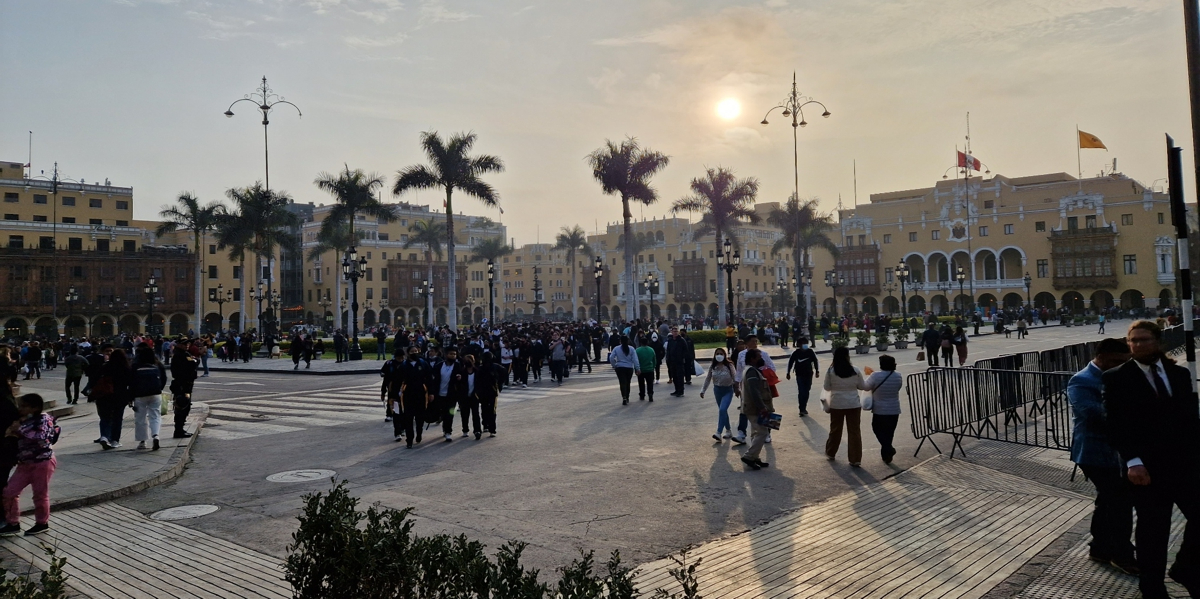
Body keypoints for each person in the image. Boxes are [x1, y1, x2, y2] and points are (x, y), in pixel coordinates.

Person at [1103, 320, 1200, 598]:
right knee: (1153, 531)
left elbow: (1190, 420)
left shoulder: (1178, 374)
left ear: (1158, 341)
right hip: (1146, 468)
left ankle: (1186, 567)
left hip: (1184, 464)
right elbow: (1116, 425)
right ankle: (1152, 587)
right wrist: (1132, 461)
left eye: (1144, 340)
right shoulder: (1116, 378)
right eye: (1133, 341)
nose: (1137, 345)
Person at [1068, 337, 1137, 575]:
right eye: (1118, 361)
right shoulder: (1082, 380)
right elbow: (1091, 413)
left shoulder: (1120, 375)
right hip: (1094, 452)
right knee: (1119, 502)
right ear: (1103, 358)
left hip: (1115, 452)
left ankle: (1099, 547)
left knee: (1108, 499)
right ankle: (1122, 554)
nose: (1123, 366)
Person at [0, 394, 58, 537]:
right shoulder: (22, 421)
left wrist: (18, 430)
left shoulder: (44, 419)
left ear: (35, 407)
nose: (20, 409)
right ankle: (13, 523)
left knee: (40, 494)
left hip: (42, 462)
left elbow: (41, 436)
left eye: (24, 406)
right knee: (9, 492)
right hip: (25, 463)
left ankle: (42, 523)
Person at [822, 346, 867, 467]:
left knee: (835, 429)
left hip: (837, 404)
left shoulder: (831, 371)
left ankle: (831, 452)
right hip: (853, 404)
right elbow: (862, 386)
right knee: (854, 431)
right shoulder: (855, 370)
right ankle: (855, 458)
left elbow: (826, 387)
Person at [864, 354, 903, 464]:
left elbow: (866, 386)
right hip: (894, 409)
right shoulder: (898, 375)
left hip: (880, 409)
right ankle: (887, 456)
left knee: (877, 428)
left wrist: (869, 375)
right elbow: (898, 388)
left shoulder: (875, 375)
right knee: (889, 433)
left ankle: (889, 449)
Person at [738, 349, 773, 471]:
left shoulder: (751, 370)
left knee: (755, 432)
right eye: (758, 356)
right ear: (752, 358)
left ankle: (755, 457)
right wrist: (762, 407)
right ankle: (749, 456)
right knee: (763, 432)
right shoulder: (752, 372)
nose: (761, 358)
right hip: (755, 408)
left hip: (753, 407)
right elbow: (754, 391)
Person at [130, 345, 167, 451]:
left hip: (139, 395)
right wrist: (159, 389)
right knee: (155, 416)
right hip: (155, 393)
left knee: (140, 418)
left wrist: (131, 396)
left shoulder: (135, 365)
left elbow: (131, 382)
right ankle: (156, 435)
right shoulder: (158, 364)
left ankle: (142, 441)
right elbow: (163, 378)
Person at [95, 347, 132, 450]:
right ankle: (115, 440)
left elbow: (96, 379)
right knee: (117, 418)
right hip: (120, 396)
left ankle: (104, 436)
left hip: (105, 396)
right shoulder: (125, 368)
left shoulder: (106, 366)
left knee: (105, 417)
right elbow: (130, 383)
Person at [699, 348, 736, 442]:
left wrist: (738, 389)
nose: (719, 355)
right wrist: (703, 390)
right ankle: (728, 430)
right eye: (717, 354)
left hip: (728, 390)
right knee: (723, 411)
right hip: (717, 390)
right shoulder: (713, 366)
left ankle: (718, 432)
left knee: (722, 409)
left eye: (721, 353)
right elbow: (708, 379)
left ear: (724, 355)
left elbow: (735, 378)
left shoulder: (729, 365)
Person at [430, 347, 464, 442]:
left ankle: (448, 431)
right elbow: (433, 380)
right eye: (451, 354)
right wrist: (432, 393)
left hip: (452, 395)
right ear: (446, 355)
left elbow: (463, 378)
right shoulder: (439, 366)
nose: (453, 356)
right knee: (442, 413)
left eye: (454, 354)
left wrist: (460, 378)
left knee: (450, 414)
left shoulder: (458, 366)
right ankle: (444, 427)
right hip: (439, 394)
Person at [169, 343, 198, 439]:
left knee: (183, 406)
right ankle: (178, 430)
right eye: (184, 344)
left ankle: (180, 429)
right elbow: (192, 364)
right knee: (183, 406)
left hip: (184, 385)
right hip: (183, 386)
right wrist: (196, 359)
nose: (186, 345)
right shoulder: (181, 355)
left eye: (188, 344)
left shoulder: (180, 354)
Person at [786, 336, 819, 416]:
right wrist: (788, 372)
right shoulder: (796, 353)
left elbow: (815, 361)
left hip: (809, 374)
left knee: (807, 390)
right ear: (799, 344)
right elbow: (790, 362)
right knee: (801, 391)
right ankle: (802, 409)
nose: (805, 345)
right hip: (799, 374)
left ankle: (804, 406)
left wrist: (817, 371)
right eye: (803, 343)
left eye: (806, 343)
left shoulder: (810, 352)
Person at [609, 336, 638, 405]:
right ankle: (627, 397)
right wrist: (637, 368)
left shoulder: (616, 348)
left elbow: (611, 357)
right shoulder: (631, 349)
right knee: (628, 383)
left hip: (620, 367)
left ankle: (624, 397)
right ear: (628, 341)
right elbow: (635, 359)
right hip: (629, 367)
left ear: (620, 341)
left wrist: (614, 365)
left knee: (622, 383)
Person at [665, 328, 688, 397]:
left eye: (676, 331)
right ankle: (676, 390)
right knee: (674, 376)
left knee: (680, 376)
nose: (675, 333)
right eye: (673, 331)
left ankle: (681, 391)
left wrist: (681, 357)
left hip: (679, 361)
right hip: (672, 361)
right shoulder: (670, 340)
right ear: (671, 332)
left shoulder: (681, 340)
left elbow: (686, 350)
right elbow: (668, 350)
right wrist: (668, 358)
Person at [634, 337, 656, 403]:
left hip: (641, 370)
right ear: (647, 342)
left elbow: (635, 361)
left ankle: (642, 395)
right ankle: (650, 394)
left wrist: (636, 369)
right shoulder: (651, 350)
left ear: (640, 343)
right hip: (649, 369)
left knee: (641, 383)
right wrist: (653, 367)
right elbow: (654, 360)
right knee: (650, 383)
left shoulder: (637, 350)